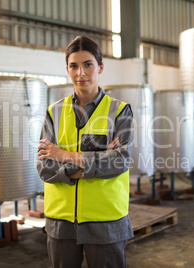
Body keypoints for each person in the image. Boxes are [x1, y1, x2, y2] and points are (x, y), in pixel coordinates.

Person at [36, 35, 134, 268]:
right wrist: (95, 161)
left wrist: (63, 155)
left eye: (88, 64)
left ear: (100, 67)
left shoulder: (119, 111)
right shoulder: (54, 112)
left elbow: (119, 161)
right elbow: (43, 166)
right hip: (61, 222)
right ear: (67, 70)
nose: (81, 73)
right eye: (74, 66)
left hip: (106, 222)